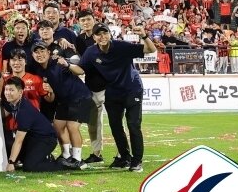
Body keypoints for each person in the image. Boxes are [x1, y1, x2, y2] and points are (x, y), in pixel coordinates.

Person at [77, 22, 157, 173]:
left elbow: (151, 49)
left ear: (110, 34)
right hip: (112, 91)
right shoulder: (90, 52)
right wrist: (66, 66)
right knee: (115, 126)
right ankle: (125, 157)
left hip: (132, 88)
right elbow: (81, 69)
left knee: (133, 124)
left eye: (105, 33)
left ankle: (137, 160)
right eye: (98, 34)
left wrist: (144, 35)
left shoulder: (121, 46)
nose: (102, 37)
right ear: (94, 37)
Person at [29, 42, 93, 169]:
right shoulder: (38, 70)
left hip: (79, 96)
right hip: (63, 100)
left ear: (48, 52)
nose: (39, 54)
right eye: (36, 52)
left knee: (72, 126)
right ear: (32, 55)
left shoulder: (58, 62)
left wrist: (68, 64)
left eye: (42, 51)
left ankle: (77, 159)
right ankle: (66, 155)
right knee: (58, 126)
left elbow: (80, 71)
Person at [3, 76, 65, 173]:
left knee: (29, 167)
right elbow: (3, 114)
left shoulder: (24, 111)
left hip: (46, 139)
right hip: (32, 137)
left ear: (20, 92)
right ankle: (43, 158)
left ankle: (61, 164)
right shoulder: (13, 102)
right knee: (12, 149)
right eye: (6, 89)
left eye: (11, 90)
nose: (7, 93)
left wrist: (11, 163)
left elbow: (19, 141)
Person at [74, 11, 108, 164]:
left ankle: (123, 154)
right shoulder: (80, 40)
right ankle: (96, 153)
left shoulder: (105, 36)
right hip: (93, 85)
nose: (86, 22)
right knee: (93, 122)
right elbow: (82, 62)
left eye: (88, 19)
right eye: (83, 20)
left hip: (111, 84)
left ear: (94, 20)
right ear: (79, 22)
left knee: (117, 122)